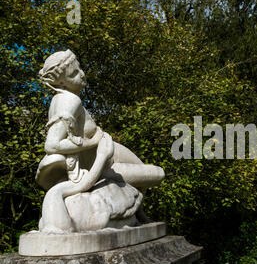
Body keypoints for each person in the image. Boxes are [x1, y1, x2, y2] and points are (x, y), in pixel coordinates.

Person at [36, 49, 164, 233]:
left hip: (112, 151)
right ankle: (138, 215)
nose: (81, 74)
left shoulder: (62, 99)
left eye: (79, 68)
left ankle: (139, 215)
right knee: (157, 174)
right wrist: (93, 143)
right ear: (61, 82)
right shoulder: (69, 101)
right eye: (73, 74)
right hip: (106, 162)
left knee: (143, 177)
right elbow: (52, 145)